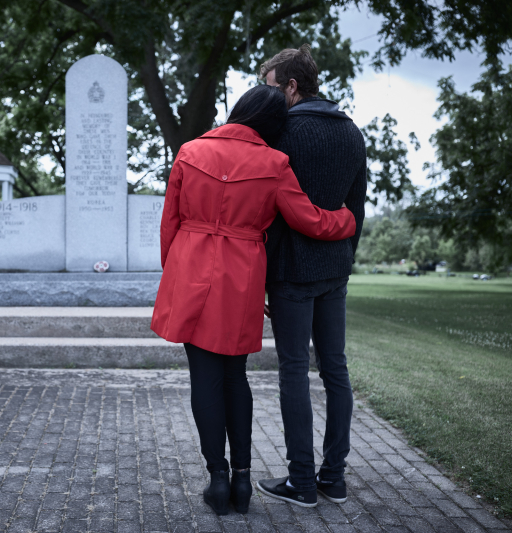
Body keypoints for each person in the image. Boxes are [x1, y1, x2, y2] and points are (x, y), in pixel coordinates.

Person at [150, 84, 357, 516]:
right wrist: (346, 218)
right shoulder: (275, 162)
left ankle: (218, 479)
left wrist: (175, 274)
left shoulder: (189, 151)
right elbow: (309, 220)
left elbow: (170, 223)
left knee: (203, 377)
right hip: (241, 276)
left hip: (190, 267)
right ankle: (243, 480)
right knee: (235, 377)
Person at [256, 45, 367, 508]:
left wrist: (263, 274)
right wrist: (343, 255)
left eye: (269, 86)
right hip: (334, 267)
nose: (266, 96)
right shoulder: (352, 132)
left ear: (291, 86)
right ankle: (333, 479)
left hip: (291, 271)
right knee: (336, 370)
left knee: (295, 372)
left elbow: (267, 209)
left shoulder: (281, 132)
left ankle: (301, 482)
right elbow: (356, 208)